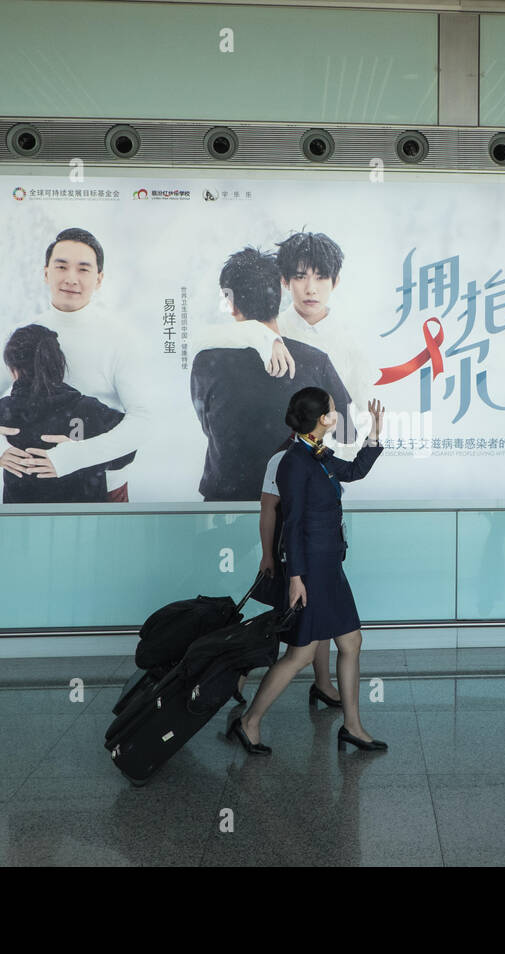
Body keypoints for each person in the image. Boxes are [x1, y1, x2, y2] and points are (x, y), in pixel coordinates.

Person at [228, 387, 387, 755]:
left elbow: (354, 471)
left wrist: (375, 433)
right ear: (321, 420)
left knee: (351, 642)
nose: (336, 414)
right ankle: (249, 722)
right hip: (311, 570)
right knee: (300, 654)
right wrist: (296, 576)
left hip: (330, 565)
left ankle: (352, 726)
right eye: (332, 411)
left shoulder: (318, 453)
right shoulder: (293, 462)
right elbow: (294, 522)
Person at [0, 227, 160, 502]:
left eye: (83, 269)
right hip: (29, 492)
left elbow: (144, 420)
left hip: (104, 489)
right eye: (61, 266)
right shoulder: (23, 336)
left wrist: (75, 456)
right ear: (46, 272)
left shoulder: (120, 339)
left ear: (99, 278)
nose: (71, 278)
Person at [190, 247, 356, 501]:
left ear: (231, 303)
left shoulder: (206, 363)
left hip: (226, 505)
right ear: (279, 296)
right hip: (301, 502)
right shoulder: (314, 361)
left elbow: (209, 426)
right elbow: (348, 433)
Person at [0, 324, 135, 503]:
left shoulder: (4, 412)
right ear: (59, 363)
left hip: (22, 521)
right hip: (83, 520)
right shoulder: (87, 410)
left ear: (13, 370)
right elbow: (127, 451)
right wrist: (86, 449)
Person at [253, 436, 343, 707]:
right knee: (290, 630)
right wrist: (267, 554)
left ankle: (324, 684)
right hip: (298, 557)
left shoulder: (321, 454)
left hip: (322, 553)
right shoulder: (285, 458)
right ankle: (240, 686)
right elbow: (269, 507)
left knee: (320, 621)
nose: (332, 419)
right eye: (327, 413)